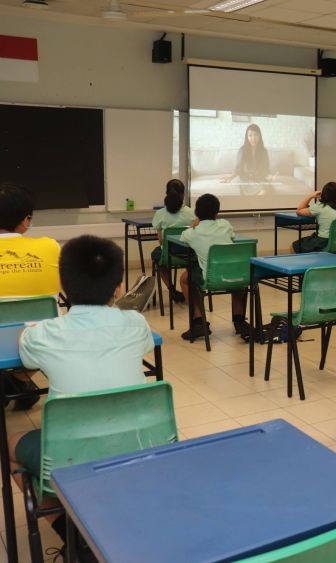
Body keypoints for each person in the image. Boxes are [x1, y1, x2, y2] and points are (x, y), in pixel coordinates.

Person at [10, 234, 153, 554]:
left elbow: (25, 351)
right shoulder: (137, 323)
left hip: (70, 461)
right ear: (118, 287)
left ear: (63, 287)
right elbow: (143, 346)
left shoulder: (45, 333)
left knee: (9, 443)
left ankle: (73, 538)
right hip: (142, 451)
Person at [0, 182, 61, 410]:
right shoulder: (50, 247)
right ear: (26, 220)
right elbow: (62, 289)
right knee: (50, 320)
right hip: (39, 337)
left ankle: (12, 383)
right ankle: (19, 380)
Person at [179, 193, 246, 339]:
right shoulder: (225, 225)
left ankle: (198, 322)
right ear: (217, 212)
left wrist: (193, 225)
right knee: (238, 279)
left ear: (196, 212)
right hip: (233, 276)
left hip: (210, 279)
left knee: (185, 278)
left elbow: (182, 238)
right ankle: (240, 320)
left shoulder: (191, 233)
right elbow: (233, 237)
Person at [151, 179, 196, 303]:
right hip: (189, 254)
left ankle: (171, 290)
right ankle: (189, 286)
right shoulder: (192, 213)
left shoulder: (160, 214)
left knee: (156, 256)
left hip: (168, 255)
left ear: (167, 194)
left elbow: (160, 241)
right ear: (183, 195)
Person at [292, 182, 336, 254]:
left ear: (324, 194)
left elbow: (299, 210)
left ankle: (302, 265)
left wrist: (310, 196)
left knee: (293, 246)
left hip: (324, 242)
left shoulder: (321, 206)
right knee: (312, 238)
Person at [222, 124, 272, 195]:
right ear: (247, 137)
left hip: (260, 179)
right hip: (246, 180)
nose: (253, 138)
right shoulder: (242, 150)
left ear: (260, 136)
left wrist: (270, 176)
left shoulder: (264, 151)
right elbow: (238, 168)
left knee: (265, 190)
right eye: (250, 135)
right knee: (259, 193)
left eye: (256, 135)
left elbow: (266, 169)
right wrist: (231, 177)